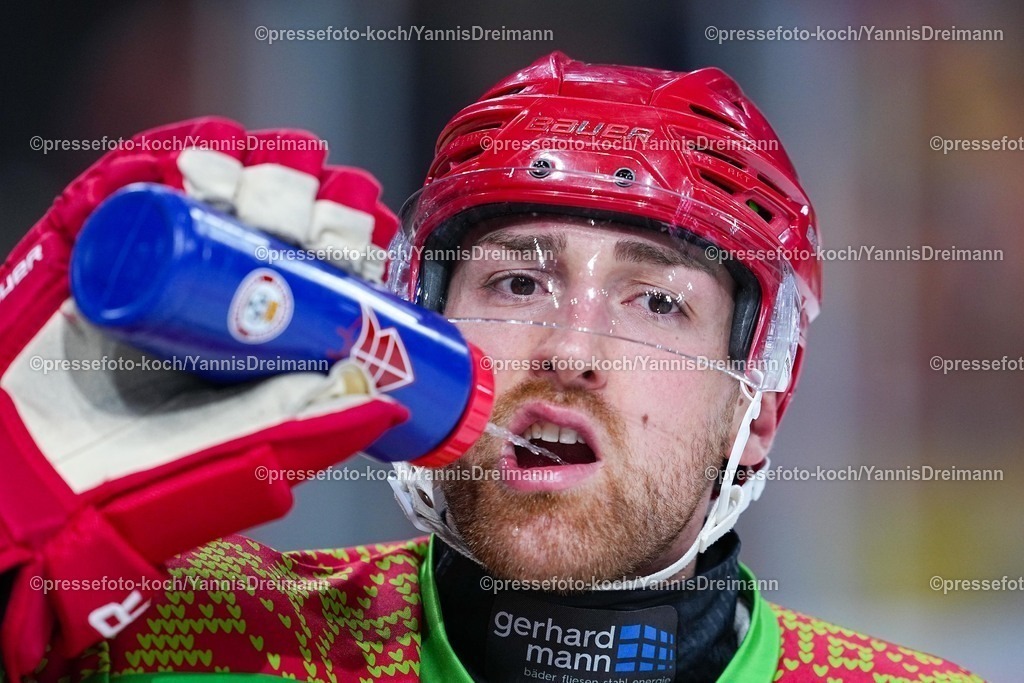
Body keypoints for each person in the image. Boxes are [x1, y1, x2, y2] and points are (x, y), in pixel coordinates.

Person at [0, 53, 979, 683]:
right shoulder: (156, 636)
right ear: (417, 322)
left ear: (757, 410)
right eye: (516, 283)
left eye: (656, 301)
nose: (569, 350)